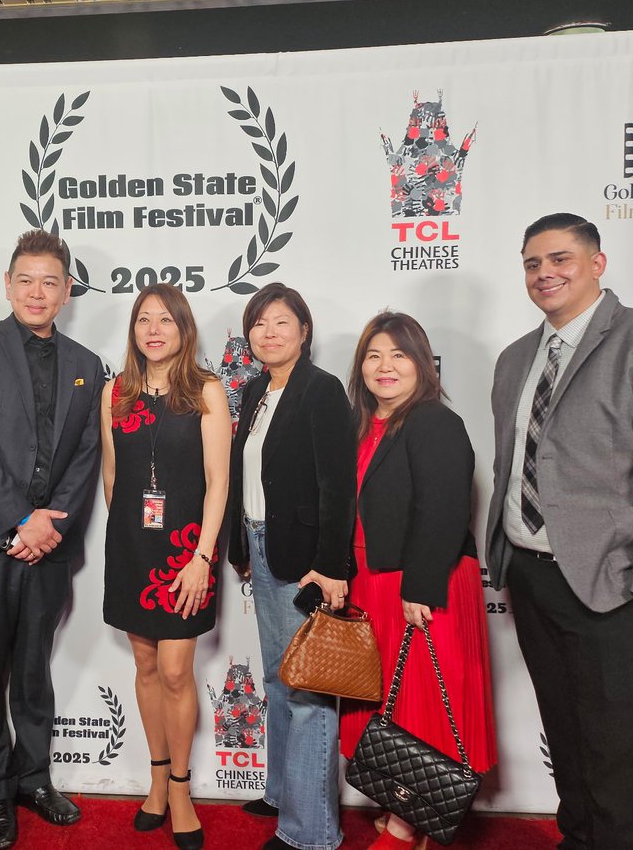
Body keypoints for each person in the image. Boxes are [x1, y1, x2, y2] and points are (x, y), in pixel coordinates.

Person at [486, 213, 633, 850]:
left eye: (560, 258)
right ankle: (578, 839)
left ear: (597, 263)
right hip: (531, 575)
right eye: (532, 263)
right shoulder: (515, 358)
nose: (544, 273)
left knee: (613, 750)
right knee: (564, 732)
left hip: (615, 582)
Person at [0, 230, 103, 850]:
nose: (38, 292)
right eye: (26, 280)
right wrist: (19, 519)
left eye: (50, 282)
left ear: (67, 292)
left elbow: (86, 454)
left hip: (48, 546)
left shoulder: (87, 364)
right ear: (7, 285)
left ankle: (34, 778)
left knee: (34, 669)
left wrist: (49, 526)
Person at [338, 311, 497, 850]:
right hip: (371, 582)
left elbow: (445, 509)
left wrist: (420, 589)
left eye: (399, 355)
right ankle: (401, 799)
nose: (385, 366)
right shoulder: (362, 425)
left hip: (420, 583)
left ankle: (410, 825)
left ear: (423, 364)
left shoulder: (433, 421)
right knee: (389, 703)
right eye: (373, 355)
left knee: (422, 704)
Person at [225, 283, 356, 850]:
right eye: (259, 323)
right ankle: (282, 791)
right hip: (262, 546)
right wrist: (242, 548)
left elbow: (338, 485)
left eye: (281, 322)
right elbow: (247, 475)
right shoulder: (256, 388)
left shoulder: (321, 390)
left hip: (305, 560)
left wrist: (329, 565)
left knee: (308, 688)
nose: (269, 333)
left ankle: (312, 831)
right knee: (279, 677)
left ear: (304, 331)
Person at [101, 284, 231, 850]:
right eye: (143, 320)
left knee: (177, 671)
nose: (153, 330)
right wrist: (128, 539)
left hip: (186, 553)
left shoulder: (206, 390)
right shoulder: (116, 392)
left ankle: (180, 788)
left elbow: (219, 483)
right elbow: (111, 476)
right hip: (132, 549)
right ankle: (156, 779)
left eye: (165, 320)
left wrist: (203, 557)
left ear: (184, 328)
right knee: (147, 666)